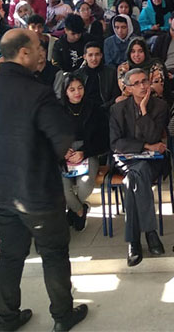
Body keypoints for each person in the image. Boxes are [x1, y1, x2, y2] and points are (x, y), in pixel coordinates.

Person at [0, 29, 87, 332]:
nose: (41, 52)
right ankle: (62, 316)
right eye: (37, 47)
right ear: (23, 53)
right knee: (53, 253)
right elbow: (61, 140)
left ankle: (6, 319)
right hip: (36, 192)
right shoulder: (38, 92)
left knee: (11, 253)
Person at [109, 68, 169, 265]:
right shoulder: (117, 109)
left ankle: (133, 241)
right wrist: (144, 146)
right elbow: (116, 142)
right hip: (126, 160)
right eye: (137, 83)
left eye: (145, 81)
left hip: (153, 161)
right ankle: (150, 233)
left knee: (135, 176)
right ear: (127, 88)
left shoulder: (159, 106)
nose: (143, 86)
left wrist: (144, 111)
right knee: (136, 172)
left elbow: (154, 136)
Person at [60, 72, 108, 232]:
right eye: (72, 89)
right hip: (63, 155)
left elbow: (103, 139)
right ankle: (80, 211)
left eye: (80, 88)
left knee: (85, 185)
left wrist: (83, 152)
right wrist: (61, 150)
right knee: (63, 189)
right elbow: (49, 136)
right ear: (65, 91)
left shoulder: (94, 108)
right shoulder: (56, 109)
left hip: (87, 152)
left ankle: (73, 213)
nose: (77, 92)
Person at [69, 42, 120, 112]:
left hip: (106, 110)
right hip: (83, 110)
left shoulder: (111, 72)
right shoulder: (77, 74)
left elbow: (115, 95)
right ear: (85, 57)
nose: (94, 58)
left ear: (101, 55)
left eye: (97, 55)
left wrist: (104, 108)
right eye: (90, 55)